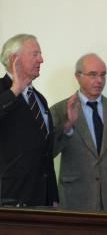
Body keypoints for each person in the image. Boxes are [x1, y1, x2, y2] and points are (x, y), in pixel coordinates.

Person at [50, 53, 107, 211]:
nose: (99, 81)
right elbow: (50, 152)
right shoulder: (59, 110)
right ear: (78, 76)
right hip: (75, 198)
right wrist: (68, 125)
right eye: (92, 75)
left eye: (103, 75)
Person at [0, 34, 58, 206]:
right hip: (10, 197)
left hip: (42, 198)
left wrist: (53, 196)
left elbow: (45, 154)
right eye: (35, 54)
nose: (41, 60)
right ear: (14, 59)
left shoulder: (39, 99)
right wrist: (16, 88)